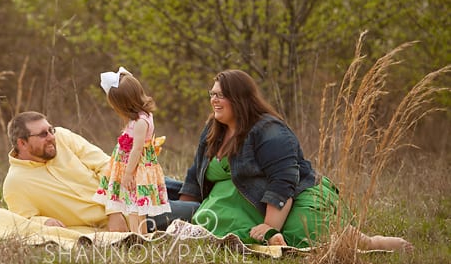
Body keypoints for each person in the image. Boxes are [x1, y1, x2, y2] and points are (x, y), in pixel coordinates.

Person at [177, 69, 412, 251]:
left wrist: (270, 226)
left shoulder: (269, 130)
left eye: (221, 95)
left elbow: (284, 179)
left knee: (302, 233)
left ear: (239, 98)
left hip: (293, 195)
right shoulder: (213, 129)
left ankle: (371, 243)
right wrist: (183, 214)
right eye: (213, 94)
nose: (214, 100)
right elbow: (195, 173)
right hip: (237, 204)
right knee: (219, 223)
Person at [3, 110, 199, 231]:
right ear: (22, 143)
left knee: (193, 190)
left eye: (50, 130)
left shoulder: (62, 137)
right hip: (134, 214)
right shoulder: (16, 184)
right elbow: (23, 221)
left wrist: (112, 209)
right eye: (43, 134)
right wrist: (44, 222)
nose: (51, 136)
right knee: (198, 211)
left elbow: (106, 165)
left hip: (128, 183)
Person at [93, 67, 171, 233]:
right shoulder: (141, 117)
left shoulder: (141, 122)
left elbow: (137, 149)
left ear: (124, 104)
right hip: (129, 165)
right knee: (132, 204)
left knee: (134, 206)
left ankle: (138, 236)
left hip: (135, 168)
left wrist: (128, 173)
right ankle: (138, 235)